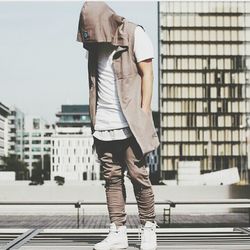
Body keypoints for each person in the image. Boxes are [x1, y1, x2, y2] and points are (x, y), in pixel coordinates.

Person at [76, 2, 160, 250]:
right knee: (111, 179)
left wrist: (144, 112)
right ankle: (118, 232)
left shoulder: (135, 34)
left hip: (131, 122)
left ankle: (148, 228)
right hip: (103, 123)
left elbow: (148, 73)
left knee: (138, 176)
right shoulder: (93, 47)